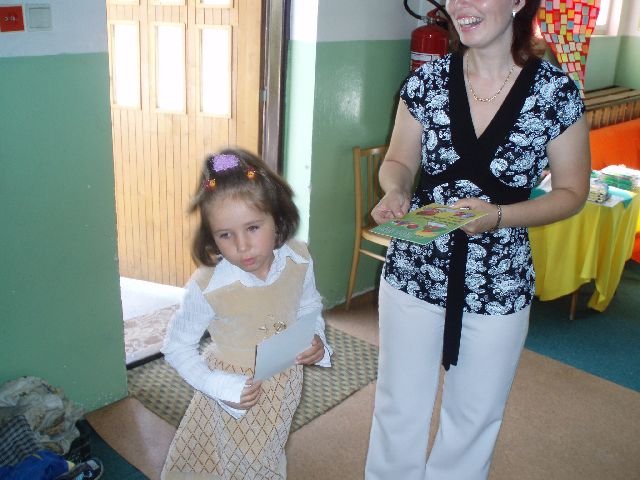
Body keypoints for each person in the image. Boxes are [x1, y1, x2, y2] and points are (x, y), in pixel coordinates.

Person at [365, 0, 590, 479]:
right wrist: (397, 190)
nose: (460, 5)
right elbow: (398, 161)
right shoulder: (425, 82)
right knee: (398, 406)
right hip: (415, 271)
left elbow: (572, 193)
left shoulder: (555, 93)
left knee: (473, 419)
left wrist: (501, 216)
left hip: (499, 282)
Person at [160, 148, 332, 479]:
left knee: (266, 453)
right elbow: (177, 346)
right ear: (212, 236)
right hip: (231, 391)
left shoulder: (298, 258)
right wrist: (217, 384)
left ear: (277, 219)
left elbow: (309, 304)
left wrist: (317, 340)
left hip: (284, 386)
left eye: (253, 227)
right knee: (231, 463)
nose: (241, 246)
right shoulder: (209, 285)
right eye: (225, 235)